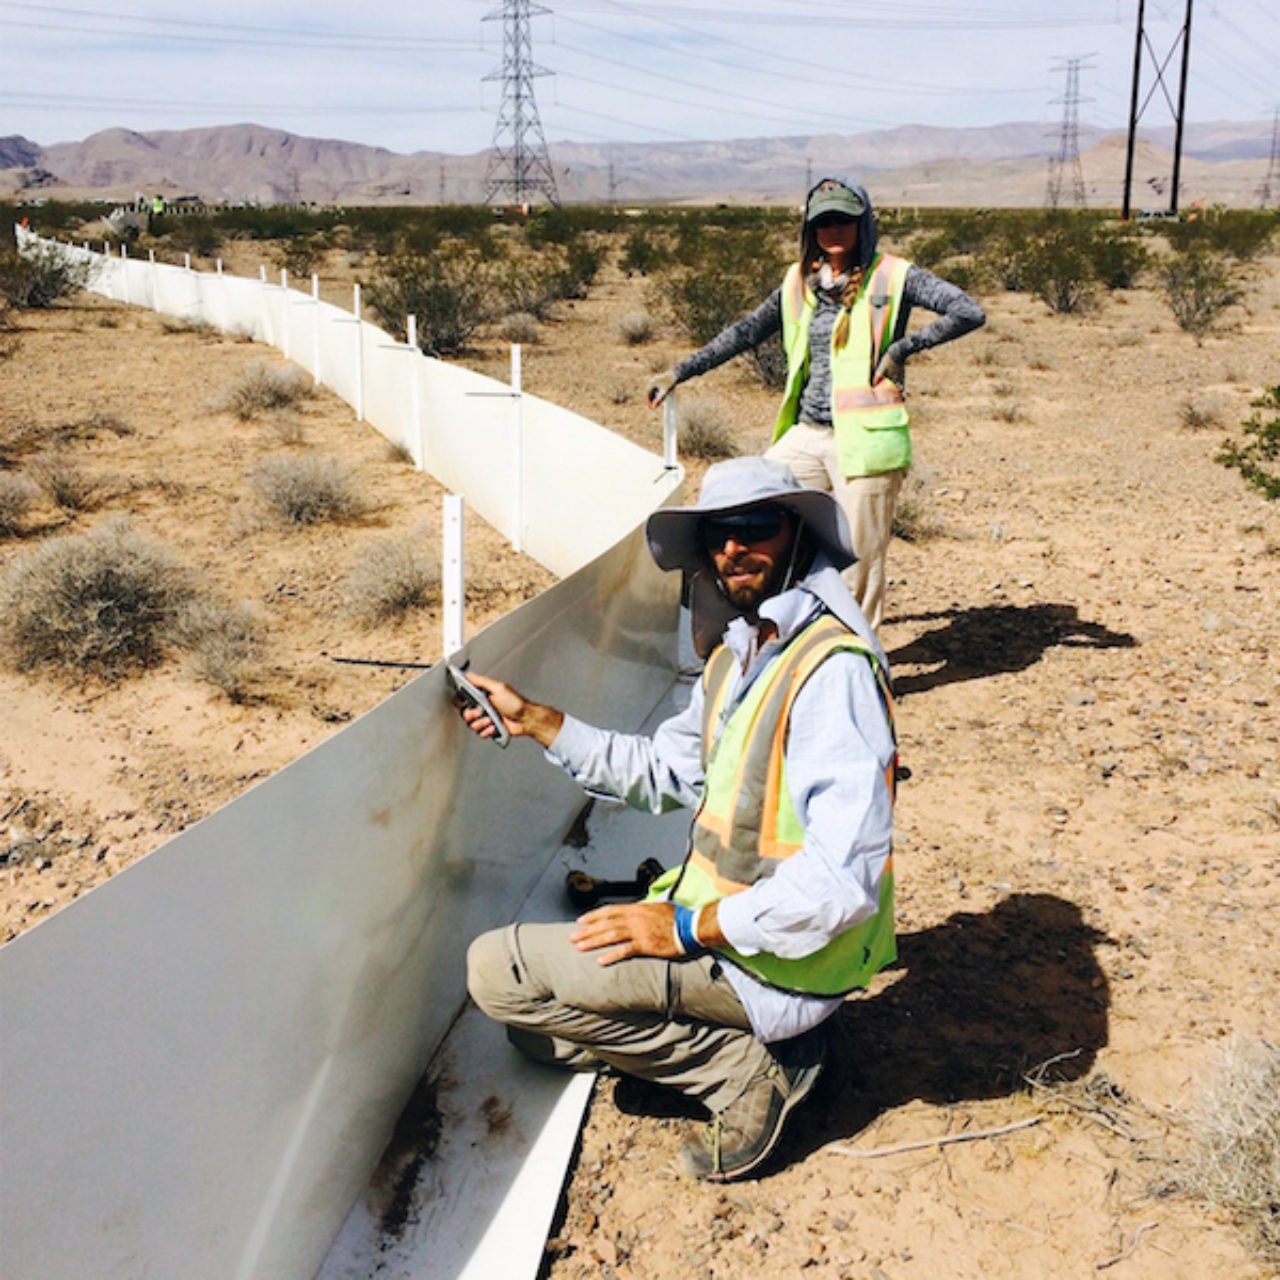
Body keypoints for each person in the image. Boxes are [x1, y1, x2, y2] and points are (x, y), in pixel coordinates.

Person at [461, 457, 898, 1182]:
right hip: (734, 932)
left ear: (799, 536)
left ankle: (751, 1073)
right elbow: (663, 772)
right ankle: (764, 1047)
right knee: (532, 1038)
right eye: (720, 534)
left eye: (757, 527)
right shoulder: (744, 653)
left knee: (496, 972)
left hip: (767, 956)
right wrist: (536, 720)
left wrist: (684, 929)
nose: (734, 548)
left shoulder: (831, 671)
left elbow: (842, 881)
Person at [647, 177, 985, 630]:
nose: (834, 229)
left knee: (860, 560)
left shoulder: (893, 275)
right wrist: (680, 371)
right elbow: (744, 332)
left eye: (844, 219)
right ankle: (764, 634)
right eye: (823, 220)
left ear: (863, 222)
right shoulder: (798, 282)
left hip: (865, 442)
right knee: (753, 514)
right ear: (809, 228)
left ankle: (859, 658)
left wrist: (902, 348)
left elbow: (968, 310)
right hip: (806, 435)